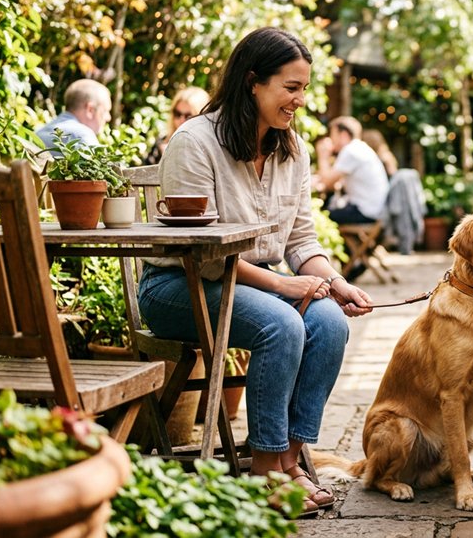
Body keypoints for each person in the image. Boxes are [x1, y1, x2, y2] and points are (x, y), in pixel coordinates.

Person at [136, 26, 373, 516]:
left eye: (304, 88)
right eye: (291, 87)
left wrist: (333, 281)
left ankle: (291, 456)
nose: (300, 100)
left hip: (256, 282)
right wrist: (284, 284)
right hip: (178, 284)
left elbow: (302, 240)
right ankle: (264, 468)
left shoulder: (293, 150)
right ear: (253, 82)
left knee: (329, 321)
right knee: (281, 322)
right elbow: (200, 254)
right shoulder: (195, 142)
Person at [314, 116, 390, 225]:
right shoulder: (359, 148)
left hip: (366, 212)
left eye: (332, 134)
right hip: (375, 210)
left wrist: (322, 155)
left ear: (343, 135)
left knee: (321, 215)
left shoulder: (351, 151)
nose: (331, 139)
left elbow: (327, 183)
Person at [36, 78, 112, 153]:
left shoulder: (38, 133)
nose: (108, 118)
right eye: (105, 111)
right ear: (90, 110)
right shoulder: (82, 135)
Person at [144, 86, 210, 165]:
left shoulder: (210, 148)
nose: (181, 120)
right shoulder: (160, 143)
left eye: (188, 116)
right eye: (177, 114)